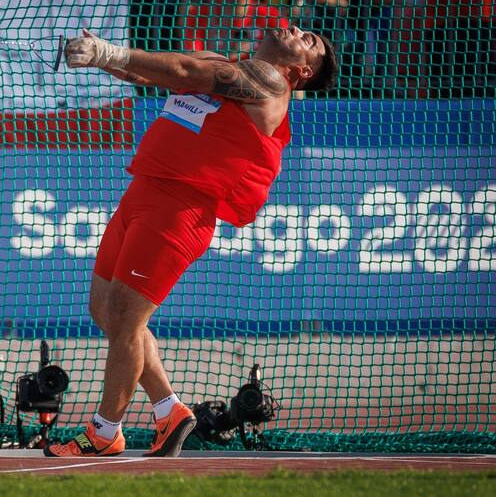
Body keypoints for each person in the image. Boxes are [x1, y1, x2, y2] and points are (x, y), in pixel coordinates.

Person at [44, 26, 338, 457]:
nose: (296, 29)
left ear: (302, 70)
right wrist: (99, 59)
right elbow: (153, 73)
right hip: (143, 191)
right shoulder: (220, 63)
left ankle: (105, 432)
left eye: (307, 40)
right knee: (104, 309)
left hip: (180, 209)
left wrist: (106, 51)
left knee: (125, 318)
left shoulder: (270, 81)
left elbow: (182, 70)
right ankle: (170, 411)